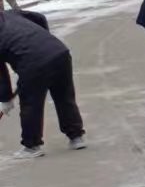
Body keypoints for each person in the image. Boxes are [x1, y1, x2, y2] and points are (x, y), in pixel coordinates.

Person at [0, 9, 86, 158]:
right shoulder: (10, 14)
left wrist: (6, 98)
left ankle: (32, 146)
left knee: (30, 103)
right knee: (64, 97)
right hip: (59, 52)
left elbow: (1, 73)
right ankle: (76, 137)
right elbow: (39, 17)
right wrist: (45, 38)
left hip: (32, 61)